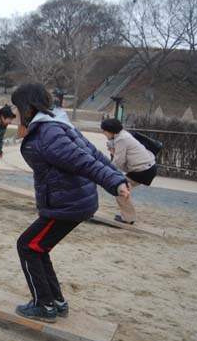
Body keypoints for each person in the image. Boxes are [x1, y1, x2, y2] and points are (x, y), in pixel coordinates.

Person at [10, 83, 129, 323]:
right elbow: (93, 154)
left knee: (27, 246)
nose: (14, 114)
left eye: (16, 107)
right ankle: (56, 302)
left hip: (66, 204)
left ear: (27, 106)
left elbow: (85, 161)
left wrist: (114, 183)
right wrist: (117, 178)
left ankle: (43, 305)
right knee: (38, 247)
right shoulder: (56, 125)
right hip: (71, 201)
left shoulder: (48, 133)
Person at [101, 118, 157, 224]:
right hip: (146, 168)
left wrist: (106, 171)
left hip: (143, 170)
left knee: (120, 188)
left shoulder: (121, 139)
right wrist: (113, 151)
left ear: (110, 131)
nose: (104, 134)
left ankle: (128, 217)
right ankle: (128, 216)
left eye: (104, 131)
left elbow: (119, 161)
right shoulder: (122, 135)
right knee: (121, 189)